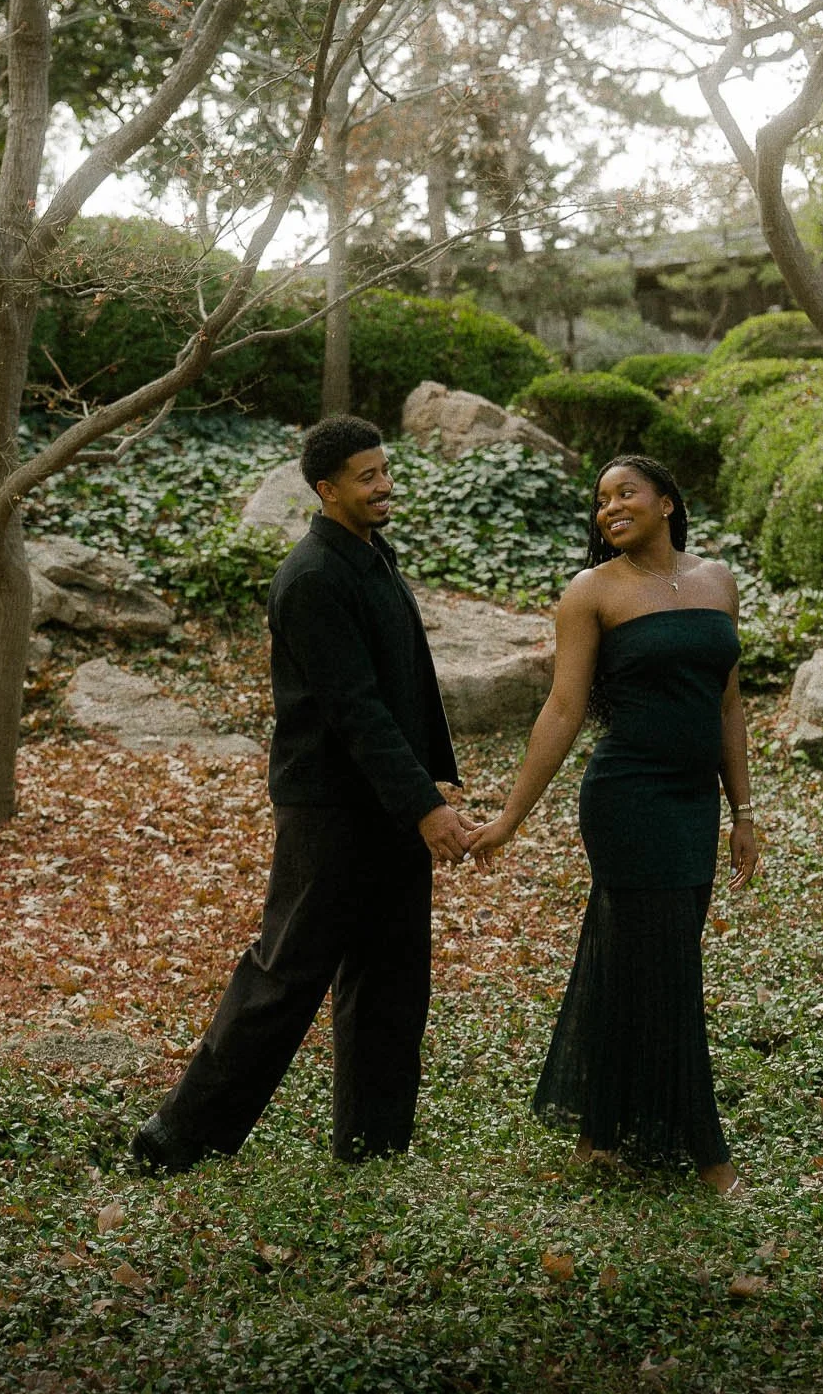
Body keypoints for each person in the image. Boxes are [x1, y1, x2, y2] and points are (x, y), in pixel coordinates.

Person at [132, 414, 474, 1173]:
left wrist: (429, 781)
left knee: (391, 980)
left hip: (389, 803)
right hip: (329, 810)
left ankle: (374, 1146)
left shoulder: (371, 555)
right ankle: (175, 1136)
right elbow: (354, 709)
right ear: (326, 490)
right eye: (367, 476)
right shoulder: (313, 577)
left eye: (385, 470)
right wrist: (426, 807)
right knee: (284, 975)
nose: (384, 486)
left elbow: (403, 684)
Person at [468, 453, 758, 1195]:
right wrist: (508, 818)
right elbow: (563, 710)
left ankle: (600, 1131)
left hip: (692, 802)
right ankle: (705, 1153)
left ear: (666, 500)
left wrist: (742, 813)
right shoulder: (590, 592)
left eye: (624, 492)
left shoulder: (716, 581)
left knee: (638, 957)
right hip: (627, 801)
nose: (608, 508)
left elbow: (728, 705)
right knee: (670, 967)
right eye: (599, 501)